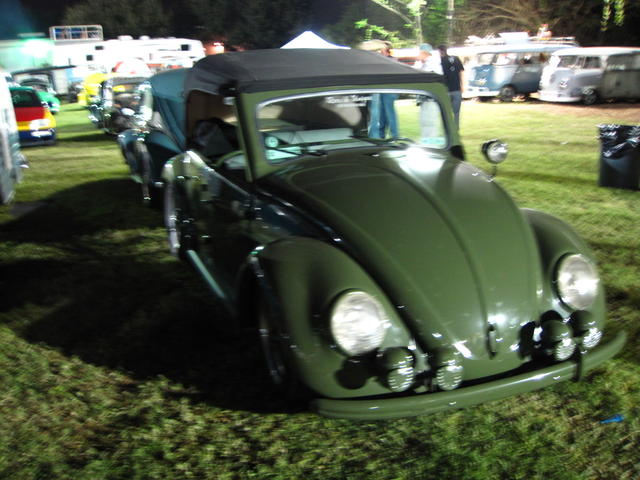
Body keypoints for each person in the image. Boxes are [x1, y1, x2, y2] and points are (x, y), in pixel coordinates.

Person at [368, 41, 399, 139]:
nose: (380, 51)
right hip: (381, 90)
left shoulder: (392, 60)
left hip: (390, 90)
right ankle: (382, 135)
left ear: (387, 49)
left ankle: (395, 135)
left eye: (382, 49)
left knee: (390, 113)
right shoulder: (381, 59)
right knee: (381, 114)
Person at [438, 44, 464, 127]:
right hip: (456, 89)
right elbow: (461, 72)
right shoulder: (456, 59)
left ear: (439, 51)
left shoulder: (439, 61)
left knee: (446, 112)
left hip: (445, 90)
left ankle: (448, 128)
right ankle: (456, 128)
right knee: (456, 112)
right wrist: (462, 85)